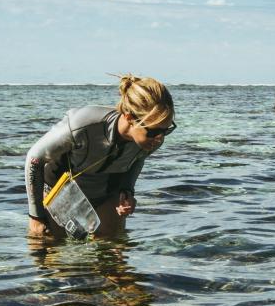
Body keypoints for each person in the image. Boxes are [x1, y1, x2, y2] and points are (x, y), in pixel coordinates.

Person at [26, 74, 175, 239]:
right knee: (49, 253)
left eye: (166, 130)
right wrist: (36, 216)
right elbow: (34, 158)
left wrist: (127, 192)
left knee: (114, 255)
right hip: (58, 193)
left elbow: (137, 161)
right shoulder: (82, 124)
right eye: (154, 131)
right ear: (129, 117)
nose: (160, 138)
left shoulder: (152, 141)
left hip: (104, 194)